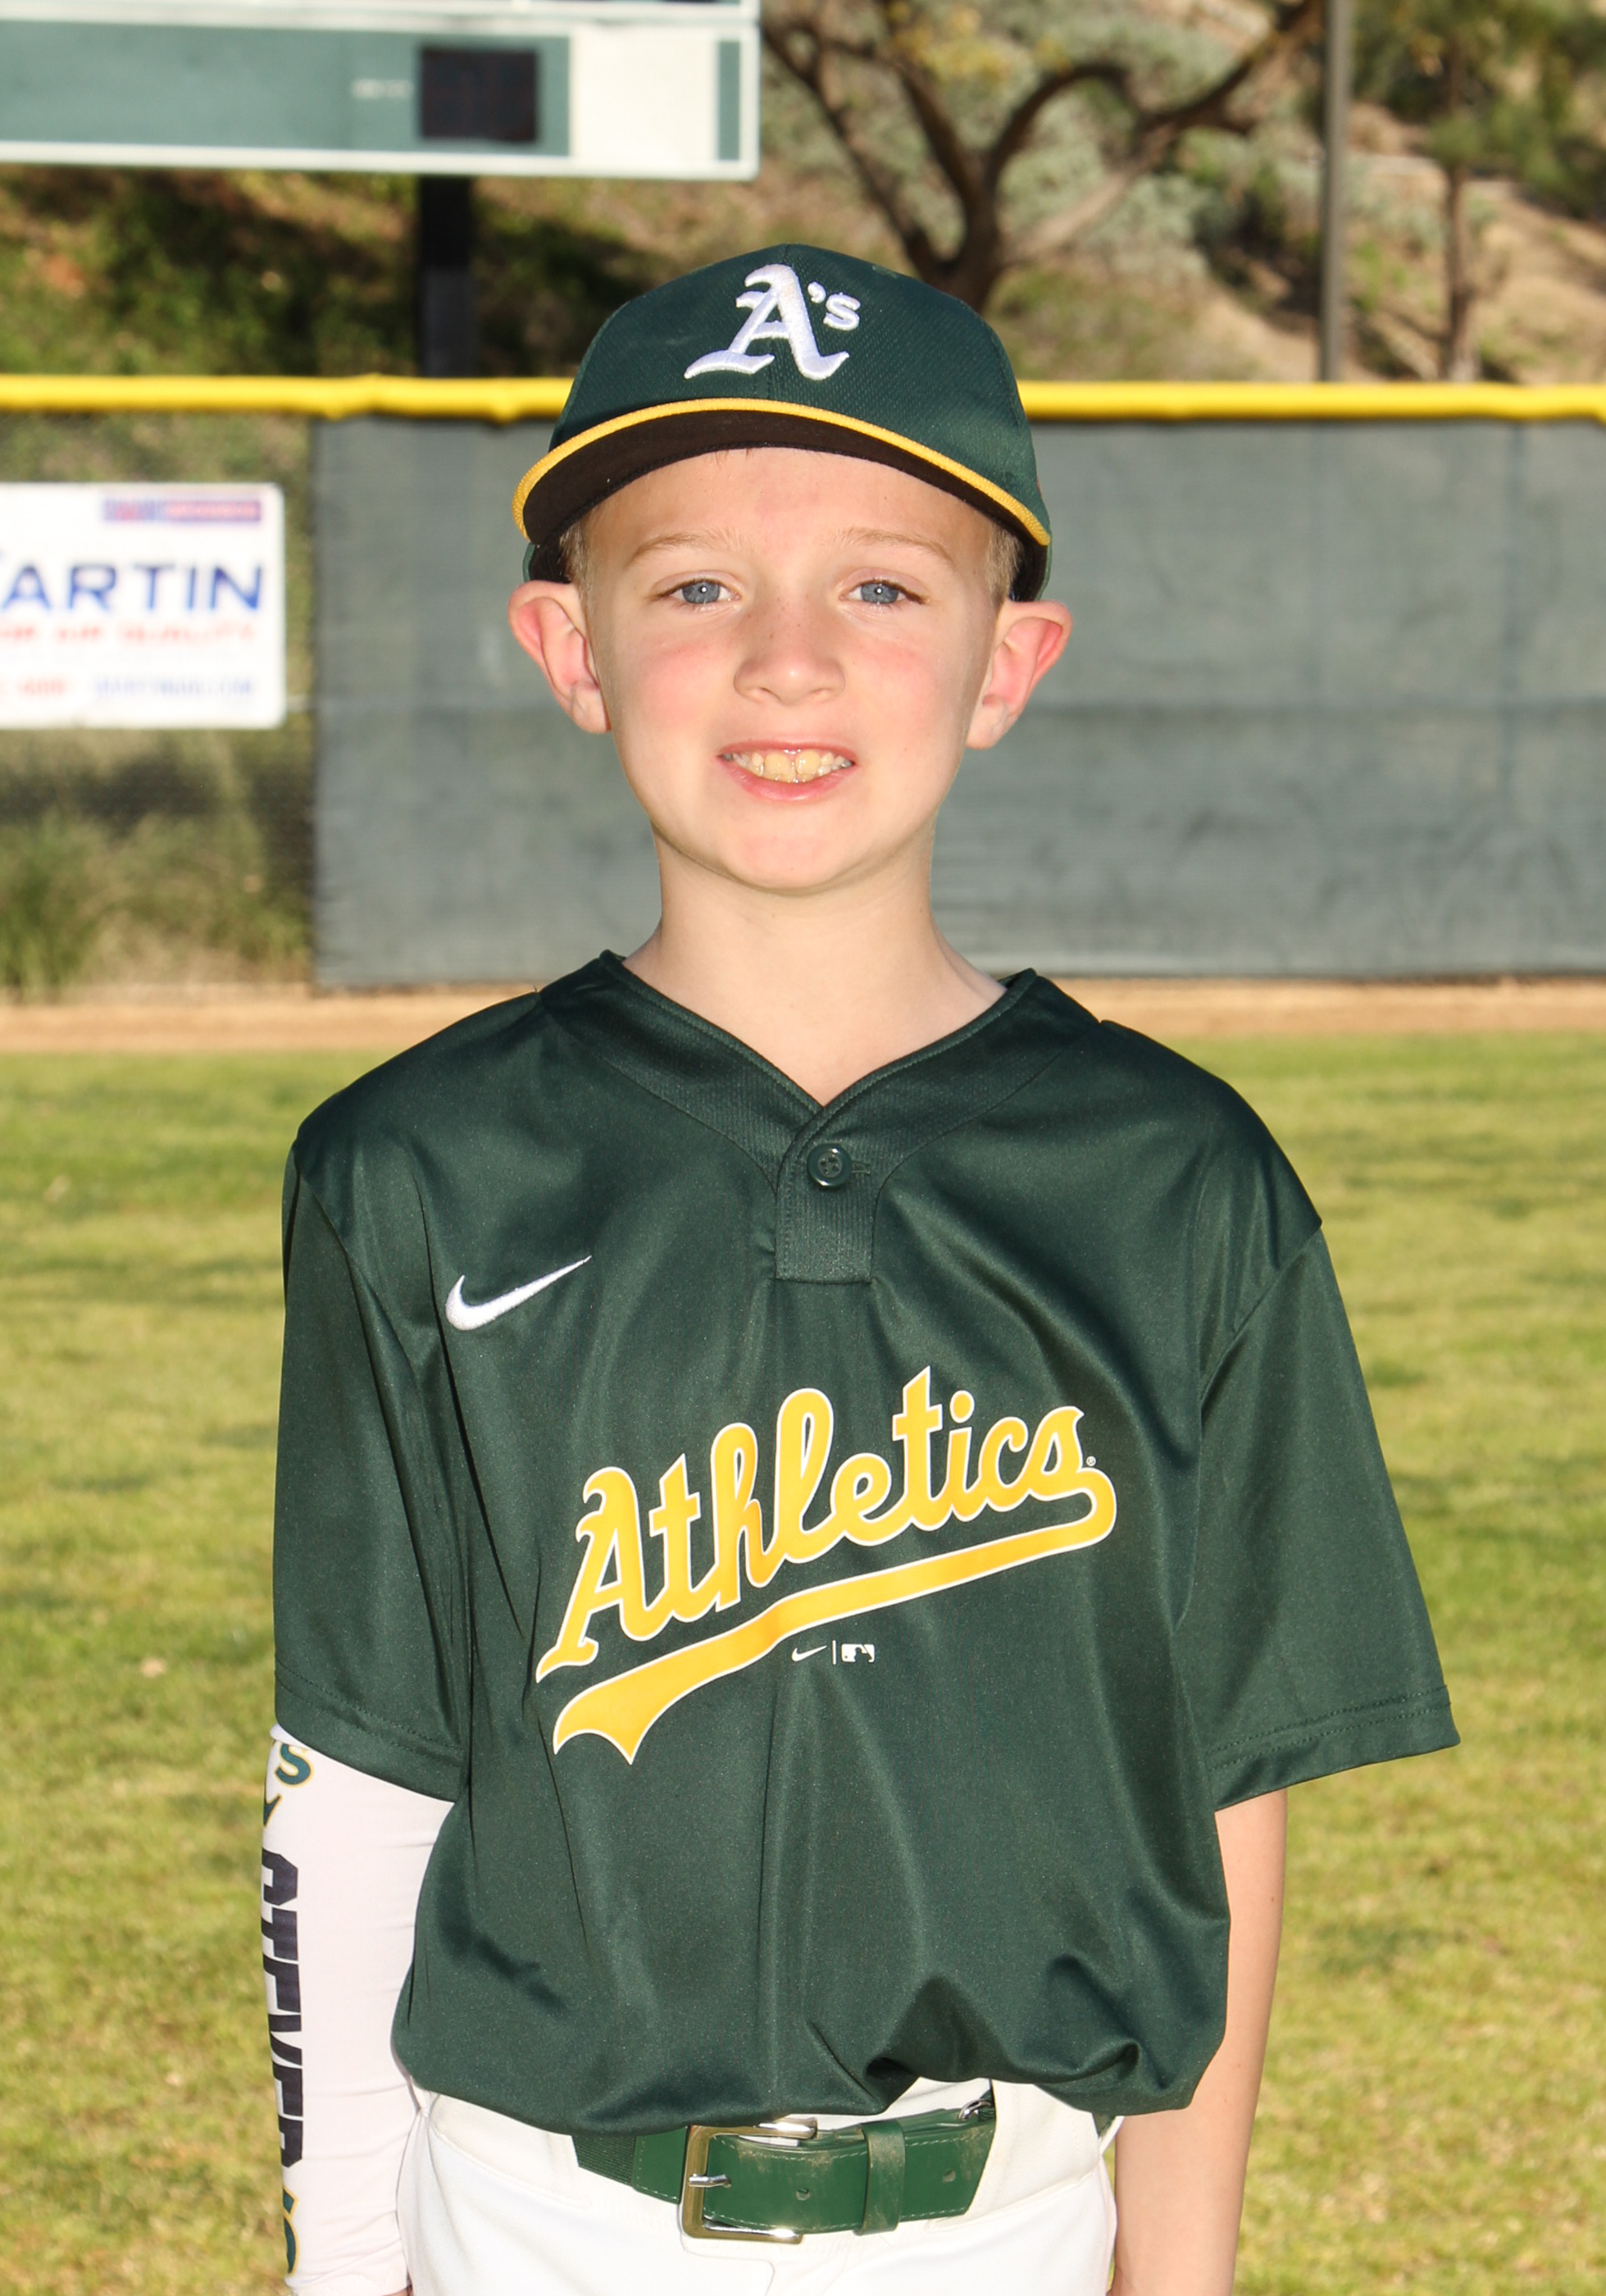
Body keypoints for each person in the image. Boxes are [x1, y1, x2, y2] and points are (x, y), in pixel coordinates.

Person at [262, 244, 1456, 2296]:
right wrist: (342, 2261)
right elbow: (361, 1778)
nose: (787, 661)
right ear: (569, 646)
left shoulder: (1178, 1180)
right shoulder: (420, 1165)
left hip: (1012, 2215)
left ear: (1008, 661)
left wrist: (1177, 2274)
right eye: (694, 586)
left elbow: (1213, 1793)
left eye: (885, 589)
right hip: (542, 2216)